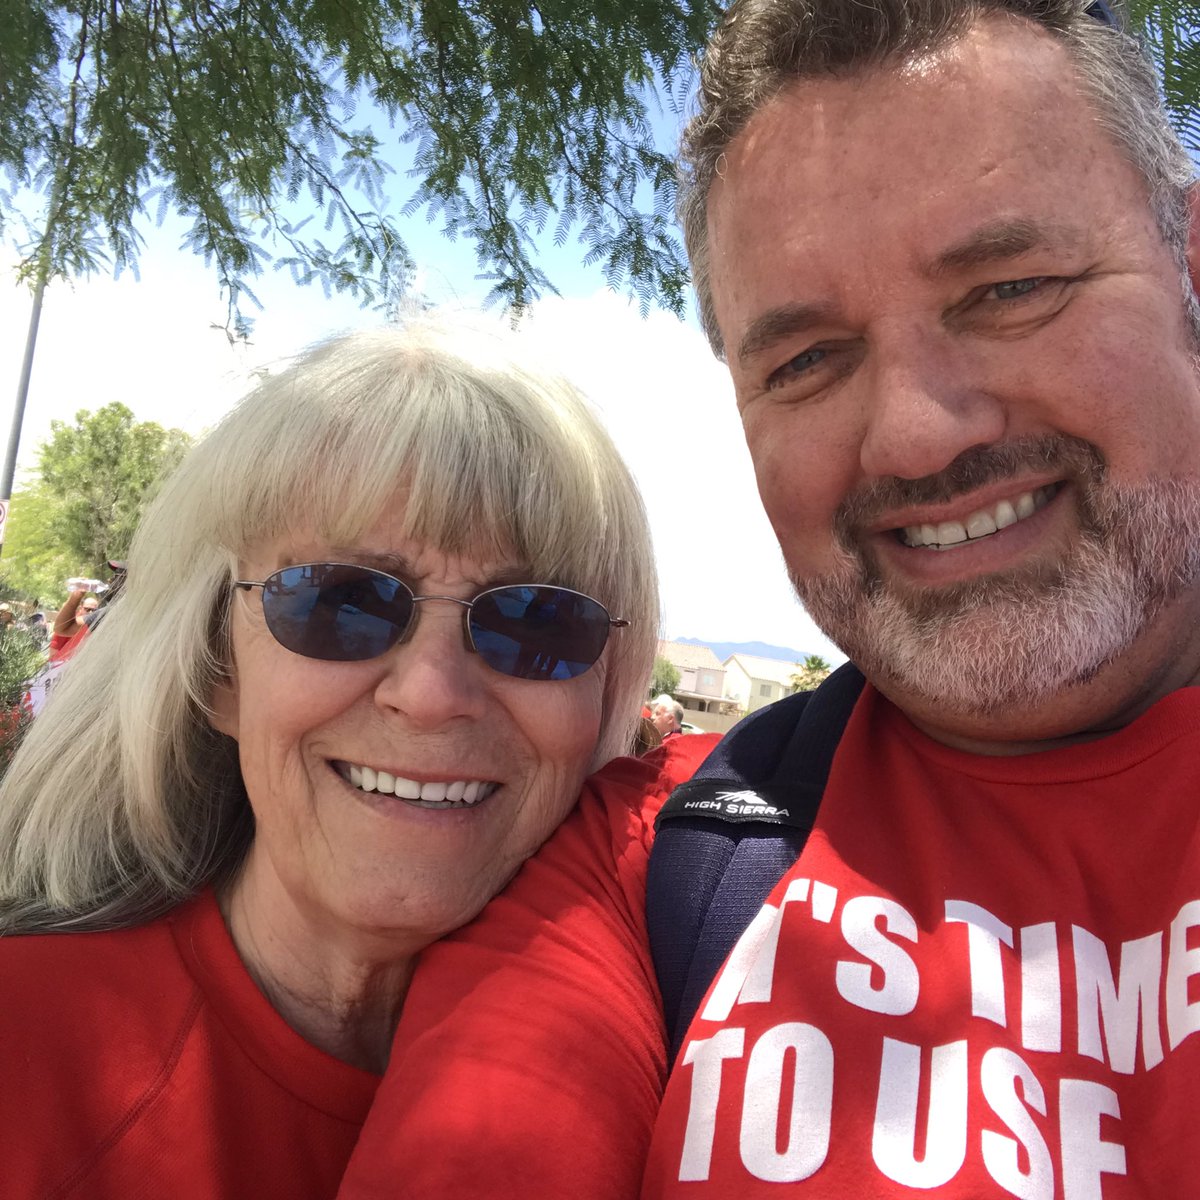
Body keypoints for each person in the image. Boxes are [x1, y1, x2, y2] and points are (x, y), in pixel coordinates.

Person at [336, 0, 1200, 1195]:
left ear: (1189, 263)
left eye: (1012, 288)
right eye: (804, 361)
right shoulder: (651, 869)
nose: (911, 433)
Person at [0, 316, 703, 1198]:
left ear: (606, 691)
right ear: (218, 669)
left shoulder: (701, 1104)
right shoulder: (24, 1056)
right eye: (341, 601)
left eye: (537, 622)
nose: (434, 691)